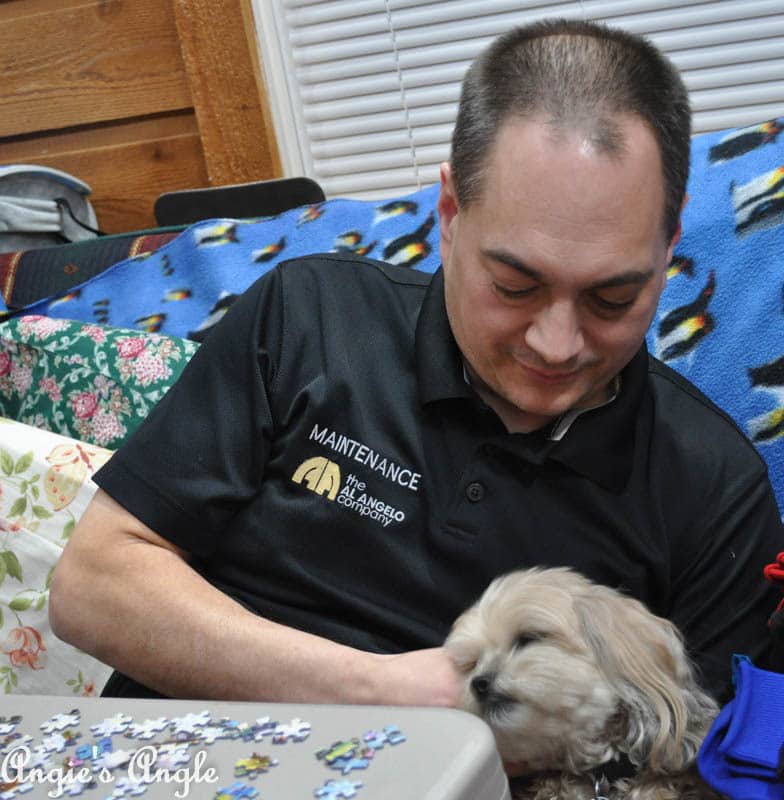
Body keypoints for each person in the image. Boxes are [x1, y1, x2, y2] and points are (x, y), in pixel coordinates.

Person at [50, 18, 782, 712]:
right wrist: (387, 694)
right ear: (450, 213)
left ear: (671, 242)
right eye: (514, 286)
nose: (557, 345)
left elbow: (696, 759)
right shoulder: (310, 316)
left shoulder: (713, 490)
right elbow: (92, 587)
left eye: (613, 297)